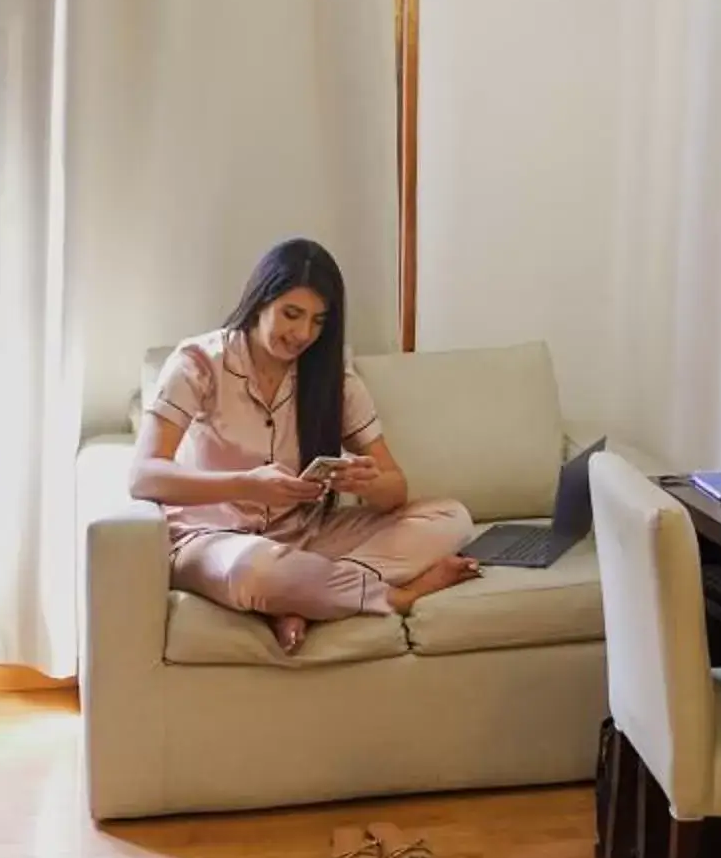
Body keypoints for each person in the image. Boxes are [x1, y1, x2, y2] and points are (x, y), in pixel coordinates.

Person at [130, 238, 480, 657]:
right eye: (291, 314)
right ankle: (396, 597)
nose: (302, 334)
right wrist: (246, 485)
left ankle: (306, 600)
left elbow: (396, 489)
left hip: (305, 535)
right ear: (261, 300)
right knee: (254, 573)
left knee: (451, 517)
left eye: (318, 321)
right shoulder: (199, 363)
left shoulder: (332, 377)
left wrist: (367, 483)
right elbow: (144, 476)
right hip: (210, 539)